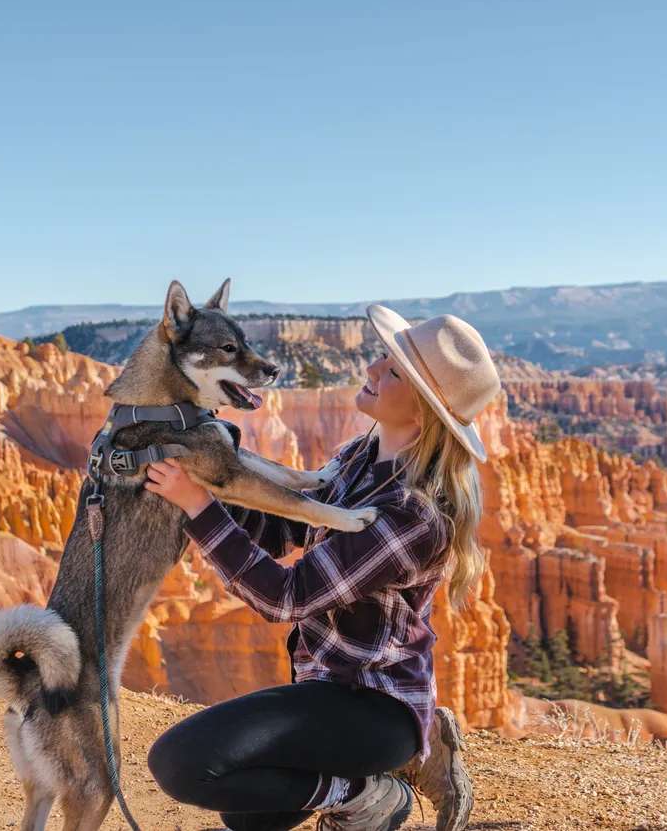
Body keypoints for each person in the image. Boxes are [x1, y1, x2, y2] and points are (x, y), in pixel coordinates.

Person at [144, 305, 500, 831]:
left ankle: (372, 795)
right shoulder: (360, 456)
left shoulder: (414, 514)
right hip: (324, 685)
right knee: (247, 814)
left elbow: (286, 597)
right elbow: (282, 530)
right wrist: (203, 476)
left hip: (372, 702)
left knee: (182, 764)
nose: (373, 369)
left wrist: (199, 508)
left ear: (423, 412)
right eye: (384, 355)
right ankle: (393, 767)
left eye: (393, 371)